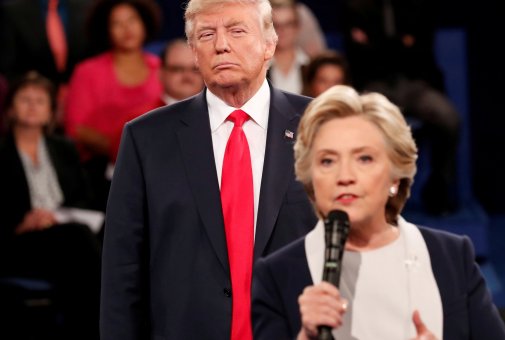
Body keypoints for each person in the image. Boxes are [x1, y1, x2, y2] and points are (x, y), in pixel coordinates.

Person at [100, 0, 317, 339]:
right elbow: (122, 269)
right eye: (206, 34)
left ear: (270, 44)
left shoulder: (321, 127)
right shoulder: (146, 139)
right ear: (193, 52)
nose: (221, 45)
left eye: (236, 30)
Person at [252, 85, 505, 339]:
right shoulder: (277, 276)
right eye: (327, 161)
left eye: (364, 158)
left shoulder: (451, 258)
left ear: (395, 177)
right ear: (310, 179)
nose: (345, 176)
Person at [0, 71, 101, 340]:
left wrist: (57, 217)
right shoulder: (2, 153)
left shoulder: (64, 149)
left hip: (65, 234)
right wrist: (22, 223)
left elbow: (85, 198)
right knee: (79, 241)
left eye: (40, 101)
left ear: (51, 112)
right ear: (10, 109)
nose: (33, 106)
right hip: (21, 241)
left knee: (85, 241)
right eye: (25, 99)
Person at [341, 0, 461, 215]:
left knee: (449, 119)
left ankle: (439, 190)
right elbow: (358, 54)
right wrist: (401, 43)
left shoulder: (420, 5)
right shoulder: (356, 6)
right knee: (366, 126)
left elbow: (421, 48)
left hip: (416, 83)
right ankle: (374, 199)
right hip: (374, 85)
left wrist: (377, 45)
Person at [64, 0, 163, 209]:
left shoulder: (162, 68)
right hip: (102, 172)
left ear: (144, 23)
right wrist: (123, 152)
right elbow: (76, 130)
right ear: (106, 30)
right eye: (117, 23)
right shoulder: (87, 72)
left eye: (132, 20)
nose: (127, 29)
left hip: (160, 168)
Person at [268, 0, 309, 94]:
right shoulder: (257, 68)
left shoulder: (310, 67)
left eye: (288, 24)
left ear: (297, 27)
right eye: (276, 25)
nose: (282, 30)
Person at [158, 38, 205, 106]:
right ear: (161, 74)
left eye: (195, 69)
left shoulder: (222, 114)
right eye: (177, 69)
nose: (187, 76)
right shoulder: (143, 115)